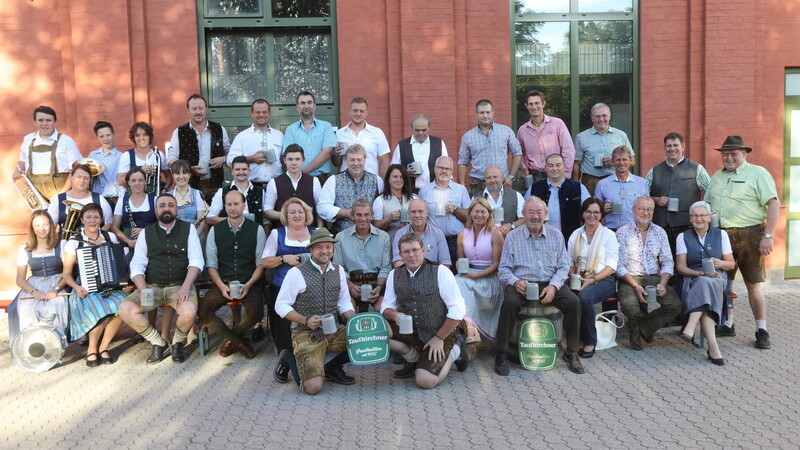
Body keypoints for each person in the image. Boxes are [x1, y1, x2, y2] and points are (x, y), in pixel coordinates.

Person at [495, 197, 584, 375]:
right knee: (509, 304)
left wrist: (553, 287)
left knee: (574, 302)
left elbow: (563, 267)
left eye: (539, 212)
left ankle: (572, 353)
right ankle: (501, 354)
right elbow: (503, 269)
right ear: (523, 214)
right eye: (531, 212)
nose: (535, 216)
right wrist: (515, 282)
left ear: (546, 214)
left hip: (549, 281)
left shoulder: (556, 235)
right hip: (522, 283)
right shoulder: (513, 237)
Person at [706, 136, 780, 349]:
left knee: (753, 283)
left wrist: (768, 235)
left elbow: (773, 204)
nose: (728, 158)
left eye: (733, 154)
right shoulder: (716, 177)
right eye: (725, 154)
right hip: (721, 235)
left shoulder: (758, 173)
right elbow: (708, 204)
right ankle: (728, 323)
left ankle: (761, 329)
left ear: (744, 154)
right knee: (724, 282)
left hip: (750, 234)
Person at [118, 194, 205, 364]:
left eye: (171, 205)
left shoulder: (189, 229)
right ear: (156, 210)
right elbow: (137, 265)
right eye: (162, 205)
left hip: (180, 285)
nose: (167, 208)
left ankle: (178, 342)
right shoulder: (146, 233)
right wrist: (143, 289)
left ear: (176, 209)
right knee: (125, 309)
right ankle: (158, 342)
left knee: (189, 312)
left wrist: (186, 287)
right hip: (152, 286)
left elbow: (196, 261)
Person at [274, 228, 357, 394]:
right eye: (319, 247)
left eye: (328, 247)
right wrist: (306, 321)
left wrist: (356, 323)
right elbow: (281, 305)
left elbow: (344, 302)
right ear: (311, 249)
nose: (325, 251)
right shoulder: (296, 273)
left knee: (362, 340)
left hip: (333, 330)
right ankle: (288, 357)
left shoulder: (338, 270)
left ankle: (332, 368)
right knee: (313, 388)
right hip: (306, 333)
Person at [381, 232, 469, 388]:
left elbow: (458, 310)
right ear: (400, 255)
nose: (411, 255)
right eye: (406, 252)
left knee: (425, 381)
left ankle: (456, 349)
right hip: (412, 330)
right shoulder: (395, 274)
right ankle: (413, 357)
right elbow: (386, 307)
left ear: (423, 251)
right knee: (378, 332)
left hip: (440, 332)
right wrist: (395, 316)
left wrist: (439, 338)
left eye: (415, 250)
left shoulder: (441, 271)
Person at [199, 189, 266, 359]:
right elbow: (212, 265)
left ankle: (231, 340)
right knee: (204, 311)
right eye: (229, 204)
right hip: (224, 282)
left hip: (249, 282)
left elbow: (261, 263)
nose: (233, 208)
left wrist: (250, 284)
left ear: (243, 206)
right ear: (225, 207)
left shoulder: (257, 229)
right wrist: (221, 286)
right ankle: (241, 342)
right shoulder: (215, 230)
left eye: (236, 204)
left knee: (256, 313)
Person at [61, 204, 127, 366]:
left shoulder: (109, 236)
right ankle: (92, 349)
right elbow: (66, 274)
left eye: (96, 217)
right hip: (84, 287)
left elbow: (119, 261)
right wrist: (77, 288)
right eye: (88, 217)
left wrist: (123, 280)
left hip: (111, 285)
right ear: (82, 220)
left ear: (101, 220)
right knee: (101, 309)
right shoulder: (74, 242)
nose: (92, 221)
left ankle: (103, 347)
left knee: (124, 306)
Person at [615, 196, 682, 351]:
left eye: (649, 209)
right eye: (641, 208)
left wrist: (663, 283)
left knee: (675, 306)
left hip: (653, 277)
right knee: (630, 306)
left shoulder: (660, 232)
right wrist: (634, 285)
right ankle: (640, 326)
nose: (645, 212)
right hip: (630, 277)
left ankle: (643, 327)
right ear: (633, 210)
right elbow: (618, 265)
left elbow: (667, 261)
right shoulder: (622, 232)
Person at [261, 198, 315, 384]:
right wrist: (284, 259)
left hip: (311, 289)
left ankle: (311, 360)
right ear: (285, 216)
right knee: (285, 328)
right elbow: (265, 262)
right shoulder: (277, 234)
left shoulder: (316, 233)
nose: (297, 215)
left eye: (300, 211)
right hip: (283, 289)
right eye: (292, 212)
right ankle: (286, 360)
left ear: (306, 214)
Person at [675, 201, 735, 365]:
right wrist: (699, 273)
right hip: (691, 279)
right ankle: (713, 348)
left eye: (702, 215)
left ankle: (690, 325)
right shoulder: (683, 237)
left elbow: (731, 264)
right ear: (690, 218)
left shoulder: (721, 235)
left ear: (709, 217)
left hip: (717, 278)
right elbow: (680, 267)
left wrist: (719, 263)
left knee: (707, 283)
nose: (698, 218)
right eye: (695, 215)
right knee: (703, 282)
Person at [566, 198, 619, 358]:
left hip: (604, 280)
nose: (592, 215)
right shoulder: (576, 234)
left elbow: (611, 265)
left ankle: (589, 341)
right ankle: (572, 339)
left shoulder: (608, 235)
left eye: (596, 212)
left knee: (584, 297)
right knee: (565, 295)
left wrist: (593, 279)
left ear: (601, 215)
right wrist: (574, 277)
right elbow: (569, 262)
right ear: (583, 213)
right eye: (588, 211)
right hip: (579, 277)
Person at [8, 211, 69, 345]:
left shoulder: (61, 245)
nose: (42, 229)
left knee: (55, 306)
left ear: (51, 226)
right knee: (27, 308)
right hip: (34, 285)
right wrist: (34, 292)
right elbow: (20, 280)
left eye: (45, 225)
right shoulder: (25, 248)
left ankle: (55, 345)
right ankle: (35, 346)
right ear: (32, 228)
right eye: (37, 225)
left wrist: (55, 289)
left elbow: (67, 274)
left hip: (58, 283)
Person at [645, 132, 711, 255]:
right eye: (669, 146)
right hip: (661, 227)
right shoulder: (654, 171)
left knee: (686, 261)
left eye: (676, 145)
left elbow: (711, 192)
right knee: (664, 261)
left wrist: (703, 216)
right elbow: (642, 196)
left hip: (687, 226)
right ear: (664, 148)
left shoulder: (697, 169)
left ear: (683, 147)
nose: (672, 149)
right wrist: (656, 200)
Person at [455, 197, 504, 343]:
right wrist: (460, 266)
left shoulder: (495, 234)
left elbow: (497, 265)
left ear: (489, 214)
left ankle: (472, 331)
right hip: (468, 274)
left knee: (461, 283)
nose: (479, 215)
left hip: (489, 277)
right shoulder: (462, 234)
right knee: (455, 282)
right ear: (470, 213)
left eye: (483, 212)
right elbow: (461, 260)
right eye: (476, 211)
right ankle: (471, 330)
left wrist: (475, 276)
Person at [168, 93, 231, 200]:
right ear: (188, 111)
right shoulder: (179, 132)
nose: (198, 112)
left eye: (201, 108)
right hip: (189, 186)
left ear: (206, 109)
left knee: (214, 214)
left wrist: (223, 159)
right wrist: (189, 169)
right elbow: (171, 160)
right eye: (194, 109)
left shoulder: (218, 128)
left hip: (215, 184)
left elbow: (230, 152)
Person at [333, 199, 392, 312]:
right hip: (351, 283)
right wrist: (350, 286)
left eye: (367, 214)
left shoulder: (383, 237)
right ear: (352, 216)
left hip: (377, 283)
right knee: (347, 310)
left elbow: (386, 267)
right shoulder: (340, 238)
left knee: (383, 309)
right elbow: (338, 268)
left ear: (372, 215)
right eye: (359, 215)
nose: (363, 219)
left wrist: (379, 288)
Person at [13, 105, 82, 200]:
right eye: (40, 120)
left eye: (48, 120)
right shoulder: (28, 139)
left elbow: (76, 169)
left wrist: (63, 193)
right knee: (37, 215)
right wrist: (17, 170)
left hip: (61, 190)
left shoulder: (66, 141)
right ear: (35, 122)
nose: (44, 124)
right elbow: (23, 161)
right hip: (34, 192)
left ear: (54, 122)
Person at [457, 99, 522, 196]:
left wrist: (511, 177)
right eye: (481, 112)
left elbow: (517, 153)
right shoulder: (468, 137)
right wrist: (462, 185)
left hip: (501, 182)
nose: (485, 115)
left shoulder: (506, 131)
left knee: (502, 210)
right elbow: (463, 161)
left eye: (488, 112)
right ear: (476, 114)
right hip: (477, 184)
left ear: (493, 113)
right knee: (478, 210)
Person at [318, 144, 383, 234]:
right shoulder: (334, 180)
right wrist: (346, 212)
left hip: (370, 235)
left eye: (359, 160)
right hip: (341, 235)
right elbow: (322, 207)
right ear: (346, 161)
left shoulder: (377, 180)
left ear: (364, 160)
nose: (356, 163)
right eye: (352, 160)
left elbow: (381, 208)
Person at [418, 156, 470, 266]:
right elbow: (420, 216)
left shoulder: (461, 190)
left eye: (447, 169)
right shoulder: (424, 191)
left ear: (452, 171)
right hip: (432, 240)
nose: (444, 171)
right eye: (441, 168)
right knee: (433, 272)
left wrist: (455, 209)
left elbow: (469, 216)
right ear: (435, 169)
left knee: (456, 275)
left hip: (455, 242)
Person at [526, 153, 590, 242]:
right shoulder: (534, 188)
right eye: (551, 165)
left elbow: (589, 211)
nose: (554, 169)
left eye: (558, 165)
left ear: (564, 166)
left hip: (571, 239)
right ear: (545, 168)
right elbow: (525, 213)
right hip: (541, 239)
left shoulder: (578, 188)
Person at [572, 103, 633, 195]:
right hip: (589, 181)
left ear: (609, 117)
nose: (601, 119)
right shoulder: (581, 137)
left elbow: (632, 161)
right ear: (592, 118)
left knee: (612, 206)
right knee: (590, 208)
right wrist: (575, 186)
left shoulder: (621, 135)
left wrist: (614, 162)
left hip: (613, 179)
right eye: (597, 116)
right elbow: (576, 164)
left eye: (604, 116)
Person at [225, 99, 284, 192]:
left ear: (269, 114)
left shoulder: (279, 136)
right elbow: (230, 160)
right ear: (251, 113)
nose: (261, 115)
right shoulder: (242, 137)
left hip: (277, 186)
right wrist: (250, 159)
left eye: (264, 112)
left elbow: (286, 160)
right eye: (258, 112)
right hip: (251, 187)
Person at [516, 90, 576, 183]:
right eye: (531, 104)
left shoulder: (557, 124)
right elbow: (520, 153)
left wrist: (565, 175)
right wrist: (524, 167)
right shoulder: (522, 130)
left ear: (543, 104)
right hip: (534, 176)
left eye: (537, 103)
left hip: (556, 174)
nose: (534, 107)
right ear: (526, 106)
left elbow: (568, 150)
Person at [282, 91, 337, 184]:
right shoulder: (291, 130)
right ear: (297, 107)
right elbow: (288, 155)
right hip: (297, 180)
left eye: (309, 102)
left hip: (322, 180)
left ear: (314, 105)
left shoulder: (326, 127)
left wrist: (305, 171)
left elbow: (327, 153)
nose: (306, 106)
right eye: (302, 103)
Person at [264, 144, 322, 229]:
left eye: (297, 159)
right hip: (284, 231)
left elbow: (320, 209)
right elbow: (267, 211)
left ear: (303, 160)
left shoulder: (314, 181)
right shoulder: (274, 182)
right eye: (290, 159)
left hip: (309, 231)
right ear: (284, 160)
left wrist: (319, 229)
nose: (294, 163)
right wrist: (288, 216)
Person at [47, 164, 113, 236]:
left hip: (92, 243)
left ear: (89, 181)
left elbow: (109, 223)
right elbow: (50, 224)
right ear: (71, 178)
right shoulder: (59, 199)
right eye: (79, 177)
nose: (82, 180)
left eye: (86, 178)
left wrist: (97, 236)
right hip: (65, 242)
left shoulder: (99, 199)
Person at [332, 97, 391, 177]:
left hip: (371, 182)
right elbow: (336, 163)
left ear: (366, 113)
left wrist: (383, 183)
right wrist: (336, 154)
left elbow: (384, 160)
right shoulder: (339, 133)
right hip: (346, 182)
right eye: (355, 110)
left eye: (361, 111)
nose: (358, 114)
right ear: (349, 112)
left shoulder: (377, 133)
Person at [594, 145, 649, 231]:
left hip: (635, 231)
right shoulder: (602, 184)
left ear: (631, 160)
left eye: (624, 159)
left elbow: (648, 210)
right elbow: (594, 211)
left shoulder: (642, 183)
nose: (621, 163)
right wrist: (603, 209)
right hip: (610, 231)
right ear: (612, 161)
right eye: (618, 160)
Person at [390, 115, 448, 191]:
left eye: (424, 130)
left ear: (429, 128)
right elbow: (393, 169)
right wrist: (404, 172)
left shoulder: (438, 143)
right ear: (412, 128)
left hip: (434, 190)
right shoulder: (402, 145)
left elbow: (447, 167)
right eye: (417, 130)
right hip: (409, 191)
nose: (420, 133)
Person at [392, 198, 451, 268]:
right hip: (408, 276)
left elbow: (445, 263)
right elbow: (398, 262)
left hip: (433, 276)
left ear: (427, 213)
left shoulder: (438, 234)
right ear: (408, 214)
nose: (417, 215)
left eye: (420, 211)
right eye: (413, 212)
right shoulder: (400, 234)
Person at [117, 122, 172, 195]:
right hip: (134, 197)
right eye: (137, 135)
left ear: (149, 136)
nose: (141, 138)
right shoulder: (127, 155)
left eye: (145, 135)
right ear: (134, 138)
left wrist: (165, 188)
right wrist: (140, 171)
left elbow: (169, 177)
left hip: (155, 196)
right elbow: (120, 181)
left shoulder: (159, 155)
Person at [207, 156, 263, 226]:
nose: (241, 172)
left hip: (255, 234)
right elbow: (210, 218)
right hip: (230, 234)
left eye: (244, 169)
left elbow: (266, 219)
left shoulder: (260, 191)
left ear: (249, 171)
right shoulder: (222, 192)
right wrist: (232, 220)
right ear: (232, 171)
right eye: (237, 169)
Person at [110, 168, 157, 249]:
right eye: (133, 180)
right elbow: (114, 227)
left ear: (145, 182)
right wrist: (128, 241)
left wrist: (146, 231)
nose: (137, 183)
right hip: (128, 244)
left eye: (140, 180)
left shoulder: (155, 200)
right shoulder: (122, 201)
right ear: (128, 183)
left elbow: (162, 224)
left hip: (150, 242)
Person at [372, 164, 417, 242]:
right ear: (388, 179)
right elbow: (375, 227)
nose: (398, 180)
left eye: (401, 177)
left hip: (412, 242)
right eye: (395, 176)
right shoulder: (380, 200)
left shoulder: (414, 198)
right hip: (389, 242)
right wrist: (389, 219)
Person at [480, 165, 525, 237]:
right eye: (489, 178)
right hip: (485, 240)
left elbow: (524, 219)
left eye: (495, 177)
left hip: (510, 239)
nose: (492, 180)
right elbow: (470, 221)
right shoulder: (476, 197)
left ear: (502, 178)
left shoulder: (516, 195)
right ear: (484, 179)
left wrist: (511, 225)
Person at [87, 121, 124, 207]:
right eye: (101, 136)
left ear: (113, 134)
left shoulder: (122, 156)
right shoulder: (93, 155)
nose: (106, 139)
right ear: (97, 138)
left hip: (117, 199)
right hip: (97, 198)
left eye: (108, 135)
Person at [166, 160, 208, 234]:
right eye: (177, 173)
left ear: (190, 175)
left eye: (184, 173)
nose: (181, 177)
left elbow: (201, 220)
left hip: (195, 235)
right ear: (172, 175)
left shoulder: (197, 194)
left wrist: (193, 238)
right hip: (173, 237)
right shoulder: (167, 196)